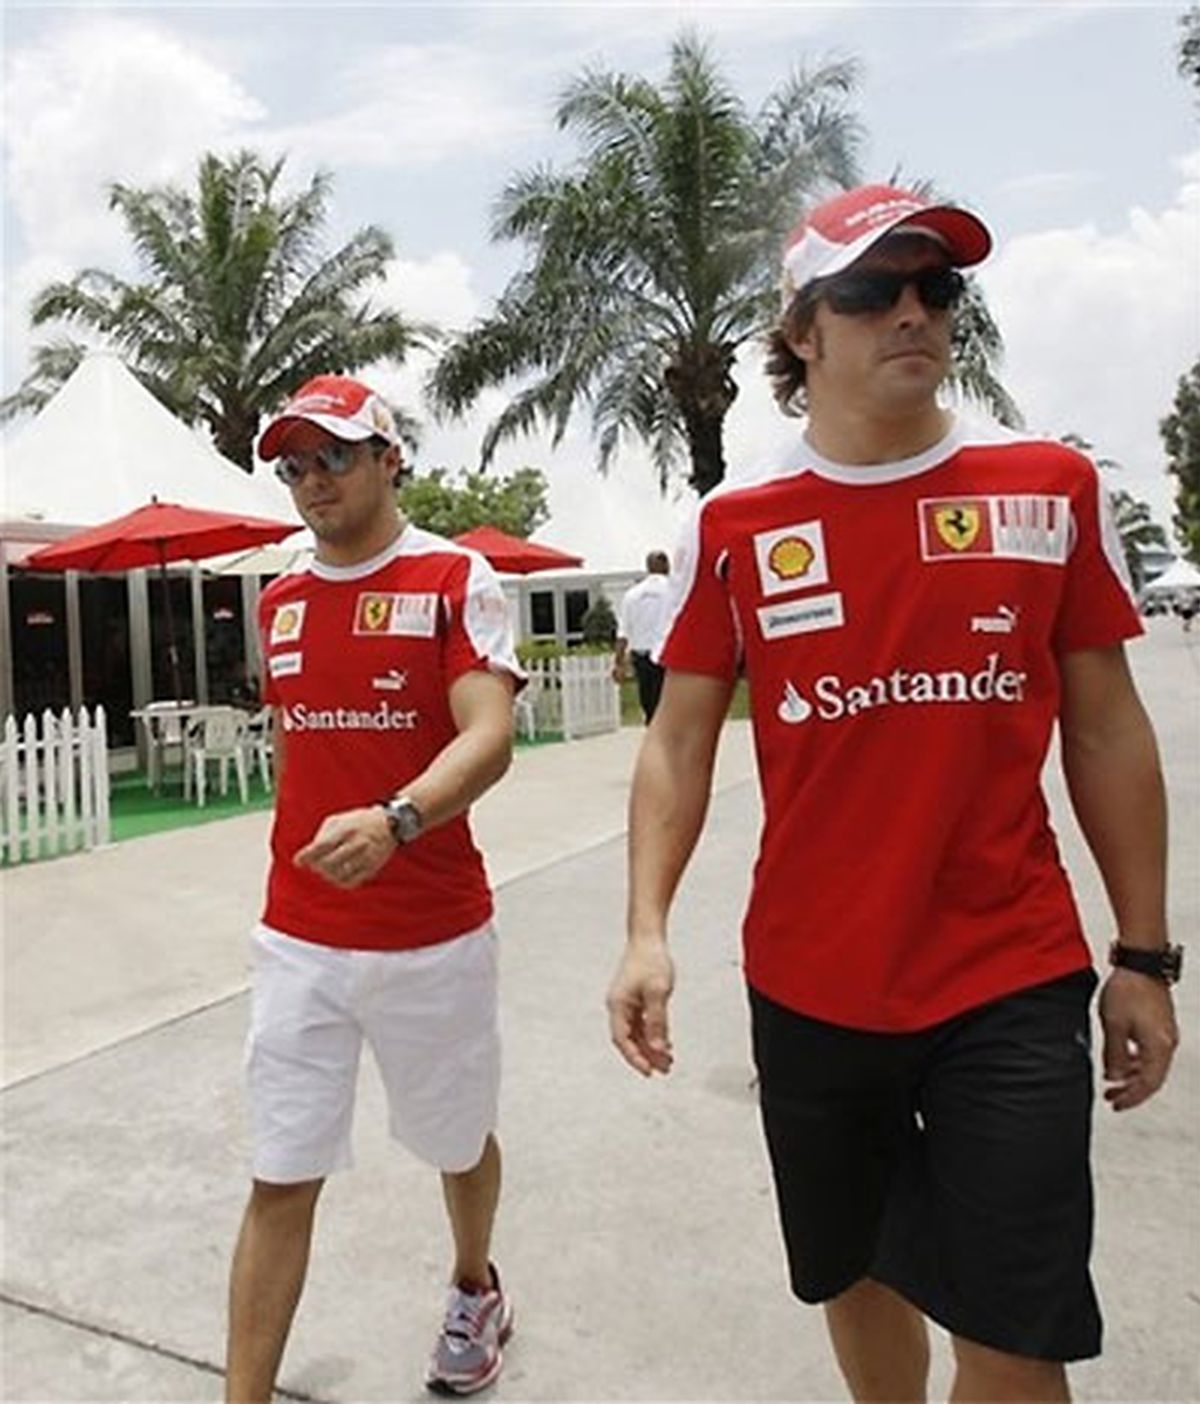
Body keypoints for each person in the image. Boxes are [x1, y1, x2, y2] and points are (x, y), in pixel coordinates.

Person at [606, 184, 1182, 1402]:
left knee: (1018, 1343)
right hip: (814, 985)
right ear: (805, 331)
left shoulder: (1048, 491)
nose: (914, 312)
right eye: (875, 291)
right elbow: (679, 739)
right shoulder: (739, 526)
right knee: (858, 1276)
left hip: (1007, 976)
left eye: (939, 290)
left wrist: (1146, 952)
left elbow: (1110, 728)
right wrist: (647, 931)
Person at [225, 374, 524, 1402]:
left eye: (335, 457)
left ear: (391, 459)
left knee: (456, 1139)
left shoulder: (454, 576)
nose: (312, 481)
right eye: (294, 464)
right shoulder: (280, 601)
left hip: (434, 933)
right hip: (299, 938)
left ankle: (474, 1283)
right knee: (279, 1171)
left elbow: (490, 734)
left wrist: (398, 818)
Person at [612, 550, 672, 722]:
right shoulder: (674, 590)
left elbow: (623, 633)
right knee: (667, 705)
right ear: (666, 565)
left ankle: (652, 730)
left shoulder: (632, 595)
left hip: (642, 656)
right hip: (666, 655)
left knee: (649, 703)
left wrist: (619, 663)